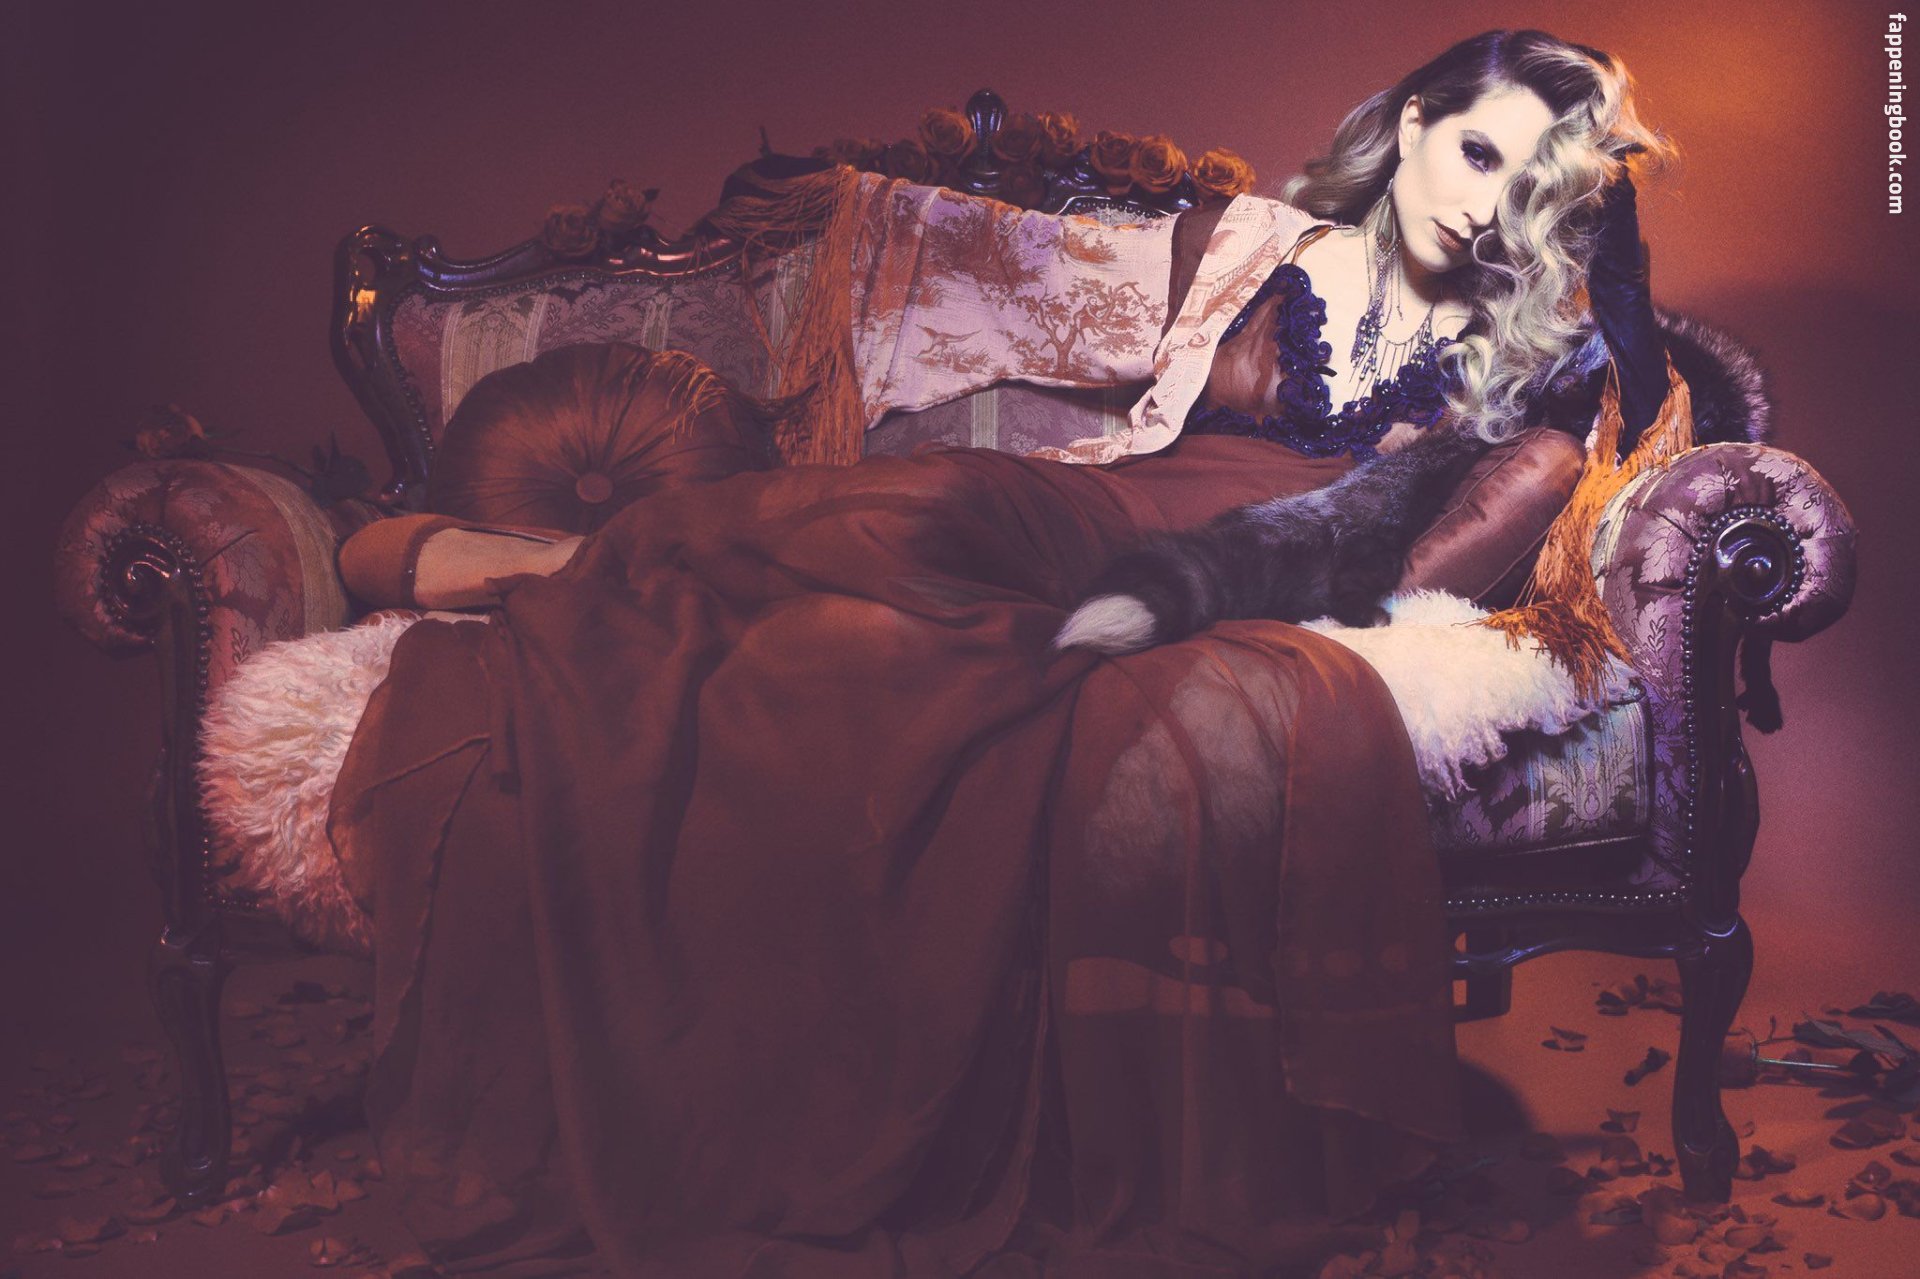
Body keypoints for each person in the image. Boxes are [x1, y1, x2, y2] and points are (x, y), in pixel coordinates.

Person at [329, 29, 1686, 1278]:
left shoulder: (1533, 351)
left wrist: (1605, 280)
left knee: (866, 650)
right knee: (915, 507)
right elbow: (998, 264)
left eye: (1531, 184)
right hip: (1098, 500)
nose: (1486, 204)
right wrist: (837, 205)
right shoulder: (1259, 246)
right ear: (1415, 123)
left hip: (1215, 562)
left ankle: (565, 574)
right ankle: (571, 564)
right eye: (1477, 151)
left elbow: (1580, 446)